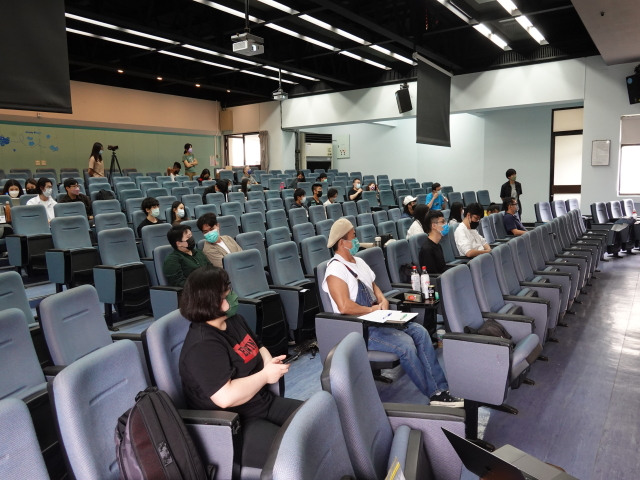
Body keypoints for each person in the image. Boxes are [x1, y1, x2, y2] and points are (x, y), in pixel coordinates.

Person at [322, 218, 463, 407]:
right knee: (405, 345)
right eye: (353, 237)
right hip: (359, 329)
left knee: (420, 332)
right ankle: (434, 394)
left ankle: (440, 388)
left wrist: (382, 300)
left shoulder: (359, 262)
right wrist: (372, 309)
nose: (356, 241)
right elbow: (344, 307)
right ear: (342, 243)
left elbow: (373, 286)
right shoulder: (335, 269)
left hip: (377, 319)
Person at [178, 266, 301, 469]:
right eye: (227, 293)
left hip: (263, 401)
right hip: (236, 423)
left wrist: (268, 363)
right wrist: (265, 376)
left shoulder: (234, 320)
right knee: (296, 453)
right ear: (211, 302)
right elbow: (225, 397)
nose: (233, 295)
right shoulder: (202, 345)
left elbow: (258, 345)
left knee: (318, 420)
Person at [419, 210, 450, 274]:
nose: (446, 224)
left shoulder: (438, 245)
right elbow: (432, 275)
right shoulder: (427, 250)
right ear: (434, 226)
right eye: (443, 222)